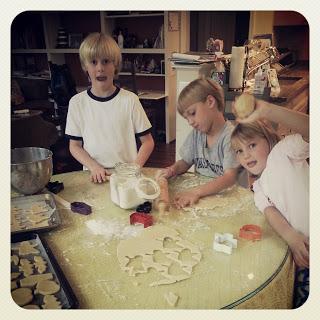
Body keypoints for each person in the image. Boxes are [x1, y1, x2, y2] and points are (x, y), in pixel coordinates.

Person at [230, 96, 309, 308]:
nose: (246, 155)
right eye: (239, 151)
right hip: (305, 253)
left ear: (268, 138)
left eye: (252, 145)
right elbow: (270, 212)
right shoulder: (259, 187)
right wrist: (291, 237)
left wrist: (266, 110)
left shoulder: (283, 152)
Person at [65, 33, 154, 183]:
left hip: (126, 176)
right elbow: (74, 146)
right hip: (93, 175)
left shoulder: (130, 100)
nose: (100, 68)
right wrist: (94, 167)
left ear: (116, 65)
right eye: (93, 62)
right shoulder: (76, 103)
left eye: (106, 61)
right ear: (85, 66)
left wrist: (134, 169)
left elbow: (148, 142)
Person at [160, 77, 239, 209]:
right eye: (187, 118)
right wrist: (172, 170)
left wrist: (195, 192)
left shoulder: (231, 137)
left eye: (192, 113)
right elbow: (185, 162)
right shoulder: (197, 134)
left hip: (224, 201)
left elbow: (230, 178)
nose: (190, 122)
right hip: (200, 200)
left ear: (210, 101)